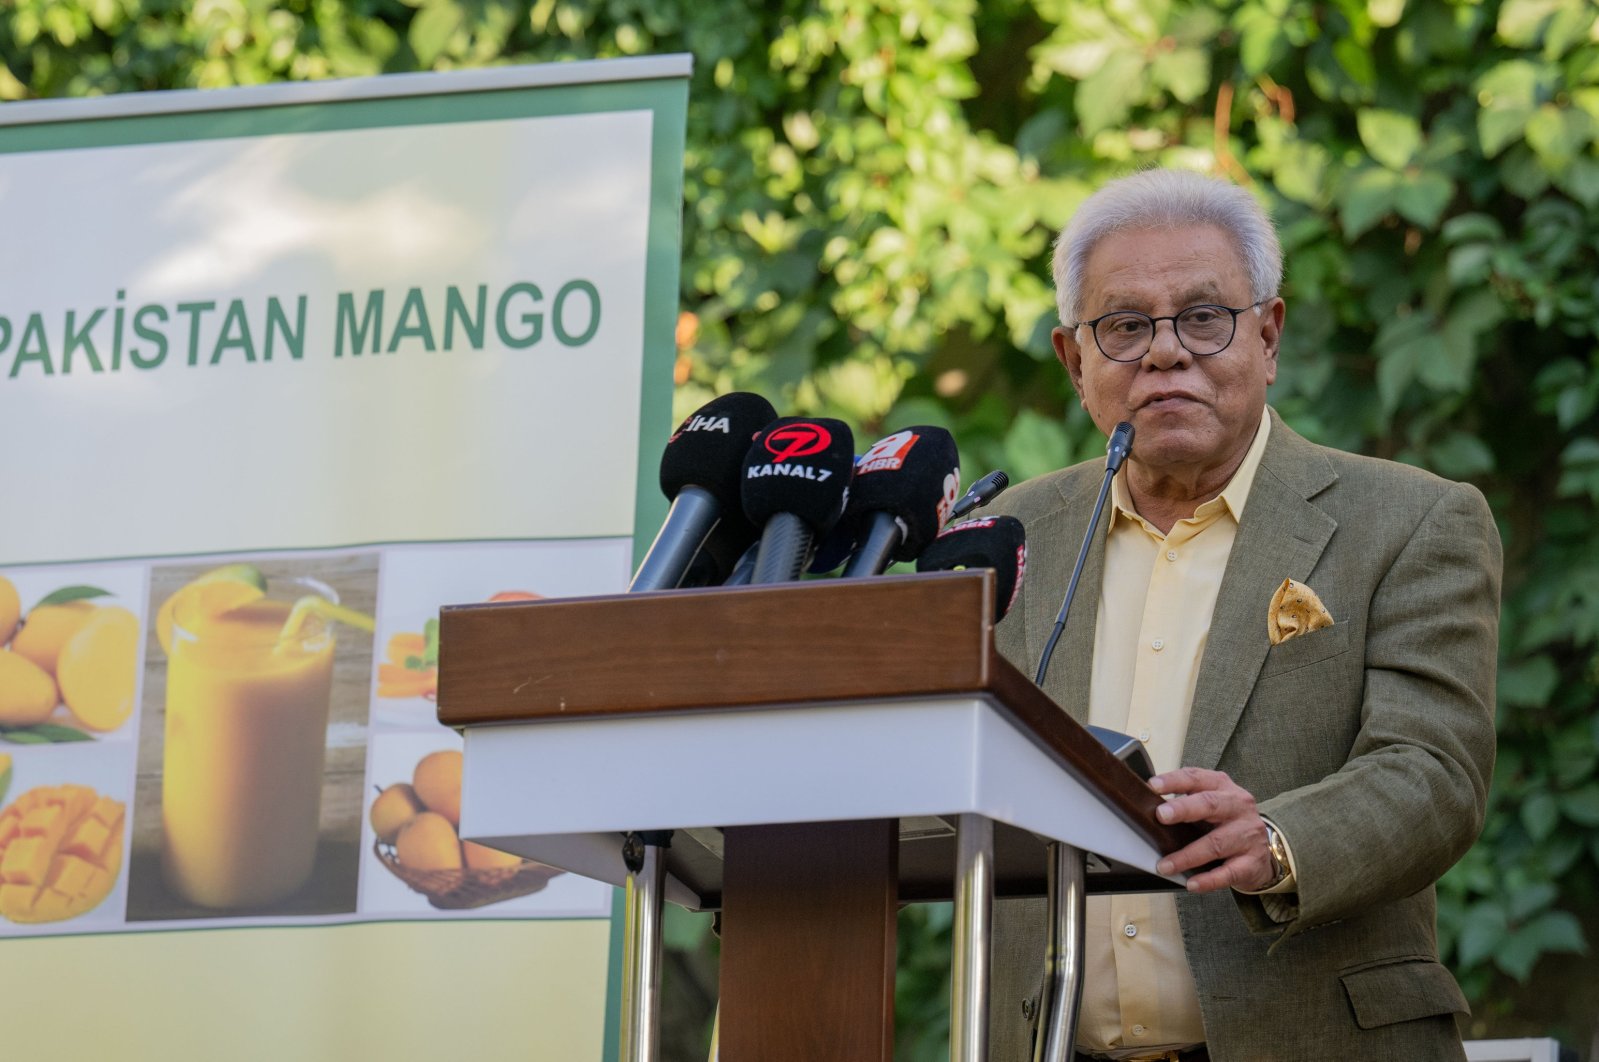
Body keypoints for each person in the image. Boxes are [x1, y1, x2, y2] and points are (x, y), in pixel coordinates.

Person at [985, 168, 1501, 1061]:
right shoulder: (1004, 536)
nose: (1164, 353)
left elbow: (1432, 773)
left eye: (1202, 316)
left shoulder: (1411, 521)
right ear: (1076, 362)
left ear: (1267, 335)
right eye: (1123, 326)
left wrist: (1275, 840)